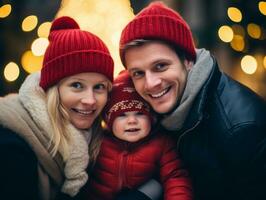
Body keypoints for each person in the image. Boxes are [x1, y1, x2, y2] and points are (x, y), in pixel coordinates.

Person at [119, 2, 266, 200]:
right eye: (138, 73)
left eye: (161, 66)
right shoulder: (143, 109)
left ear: (188, 60)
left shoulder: (240, 129)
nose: (151, 83)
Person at [0, 16, 114, 200]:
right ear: (53, 89)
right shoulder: (11, 146)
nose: (90, 100)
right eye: (77, 85)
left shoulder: (95, 141)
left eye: (99, 87)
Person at [81, 71, 193, 200]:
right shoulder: (99, 141)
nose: (132, 121)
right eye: (122, 115)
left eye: (140, 113)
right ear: (109, 121)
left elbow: (175, 177)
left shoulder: (161, 144)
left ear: (152, 117)